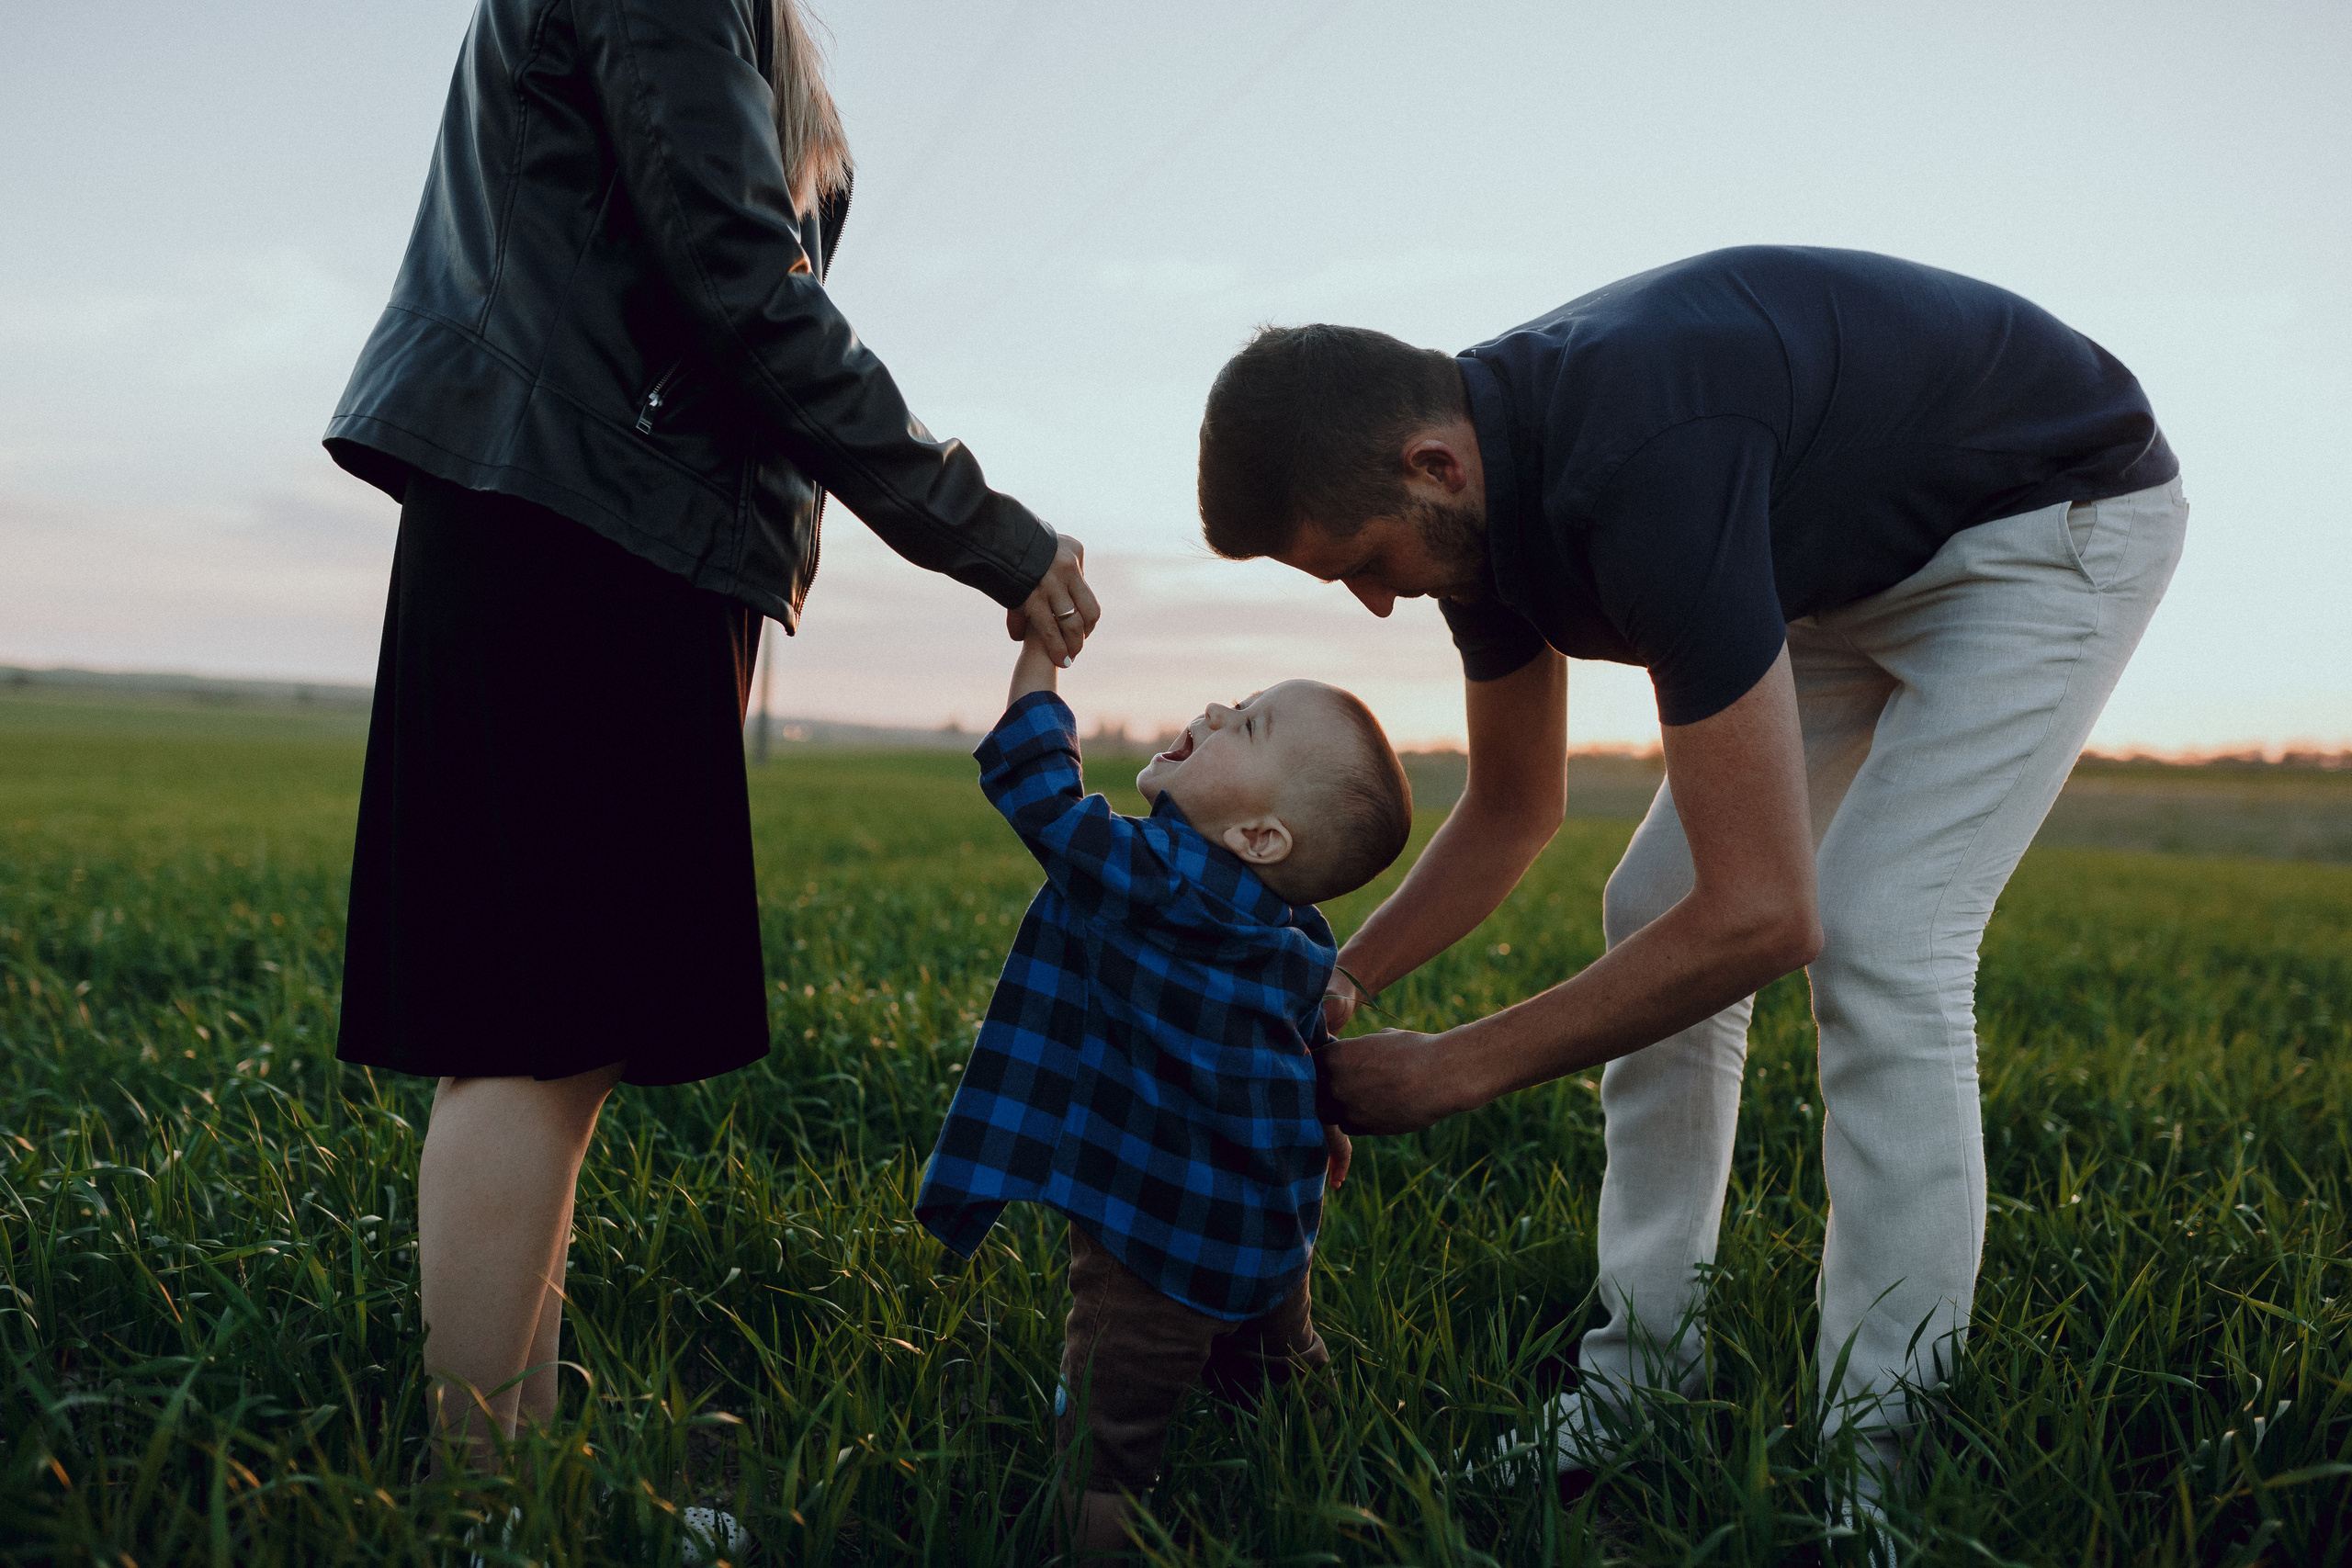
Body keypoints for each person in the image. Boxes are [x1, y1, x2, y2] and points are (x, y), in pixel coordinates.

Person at [1193, 246, 2185, 1523]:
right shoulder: (1476, 509)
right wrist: (1339, 979)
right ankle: (1637, 1382)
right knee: (1651, 906)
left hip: (2052, 520)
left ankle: (1876, 1462)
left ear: (1433, 464)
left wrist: (1457, 1064)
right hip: (1852, 565)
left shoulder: (1640, 457)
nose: (1379, 603)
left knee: (1882, 933)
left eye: (1366, 561)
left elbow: (1768, 914)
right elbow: (1512, 808)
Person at [320, 0, 1102, 1501]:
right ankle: (487, 1512)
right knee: (527, 1031)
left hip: (622, 519)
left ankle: (517, 1483)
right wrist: (984, 532)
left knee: (567, 1035)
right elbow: (739, 282)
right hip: (573, 517)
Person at [913, 634, 1413, 1551]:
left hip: (1150, 1237)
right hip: (1268, 1228)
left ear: (1260, 836)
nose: (1218, 711)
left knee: (1108, 1439)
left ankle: (1097, 1532)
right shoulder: (1295, 931)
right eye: (1239, 698)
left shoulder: (1149, 878)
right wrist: (1325, 1123)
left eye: (1249, 725)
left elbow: (1038, 791)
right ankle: (1338, 1490)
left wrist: (1038, 654)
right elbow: (1298, 1042)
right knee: (1281, 1362)